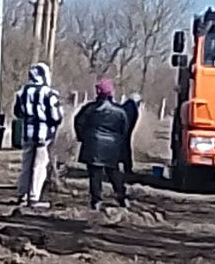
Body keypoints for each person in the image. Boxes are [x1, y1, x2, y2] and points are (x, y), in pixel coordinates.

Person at [14, 62, 63, 209]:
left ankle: (22, 195)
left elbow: (17, 112)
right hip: (44, 134)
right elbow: (56, 116)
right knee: (39, 165)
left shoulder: (22, 92)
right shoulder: (49, 93)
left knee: (26, 165)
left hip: (27, 132)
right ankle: (34, 197)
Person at [74, 78, 129, 210]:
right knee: (114, 173)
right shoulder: (120, 111)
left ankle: (96, 200)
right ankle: (122, 197)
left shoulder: (89, 108)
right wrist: (118, 142)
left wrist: (83, 138)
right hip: (112, 146)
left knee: (95, 174)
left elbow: (78, 123)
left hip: (93, 144)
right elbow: (124, 130)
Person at [120, 92, 142, 175]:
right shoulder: (130, 108)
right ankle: (127, 168)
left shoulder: (128, 106)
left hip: (124, 133)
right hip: (124, 133)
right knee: (124, 151)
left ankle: (127, 168)